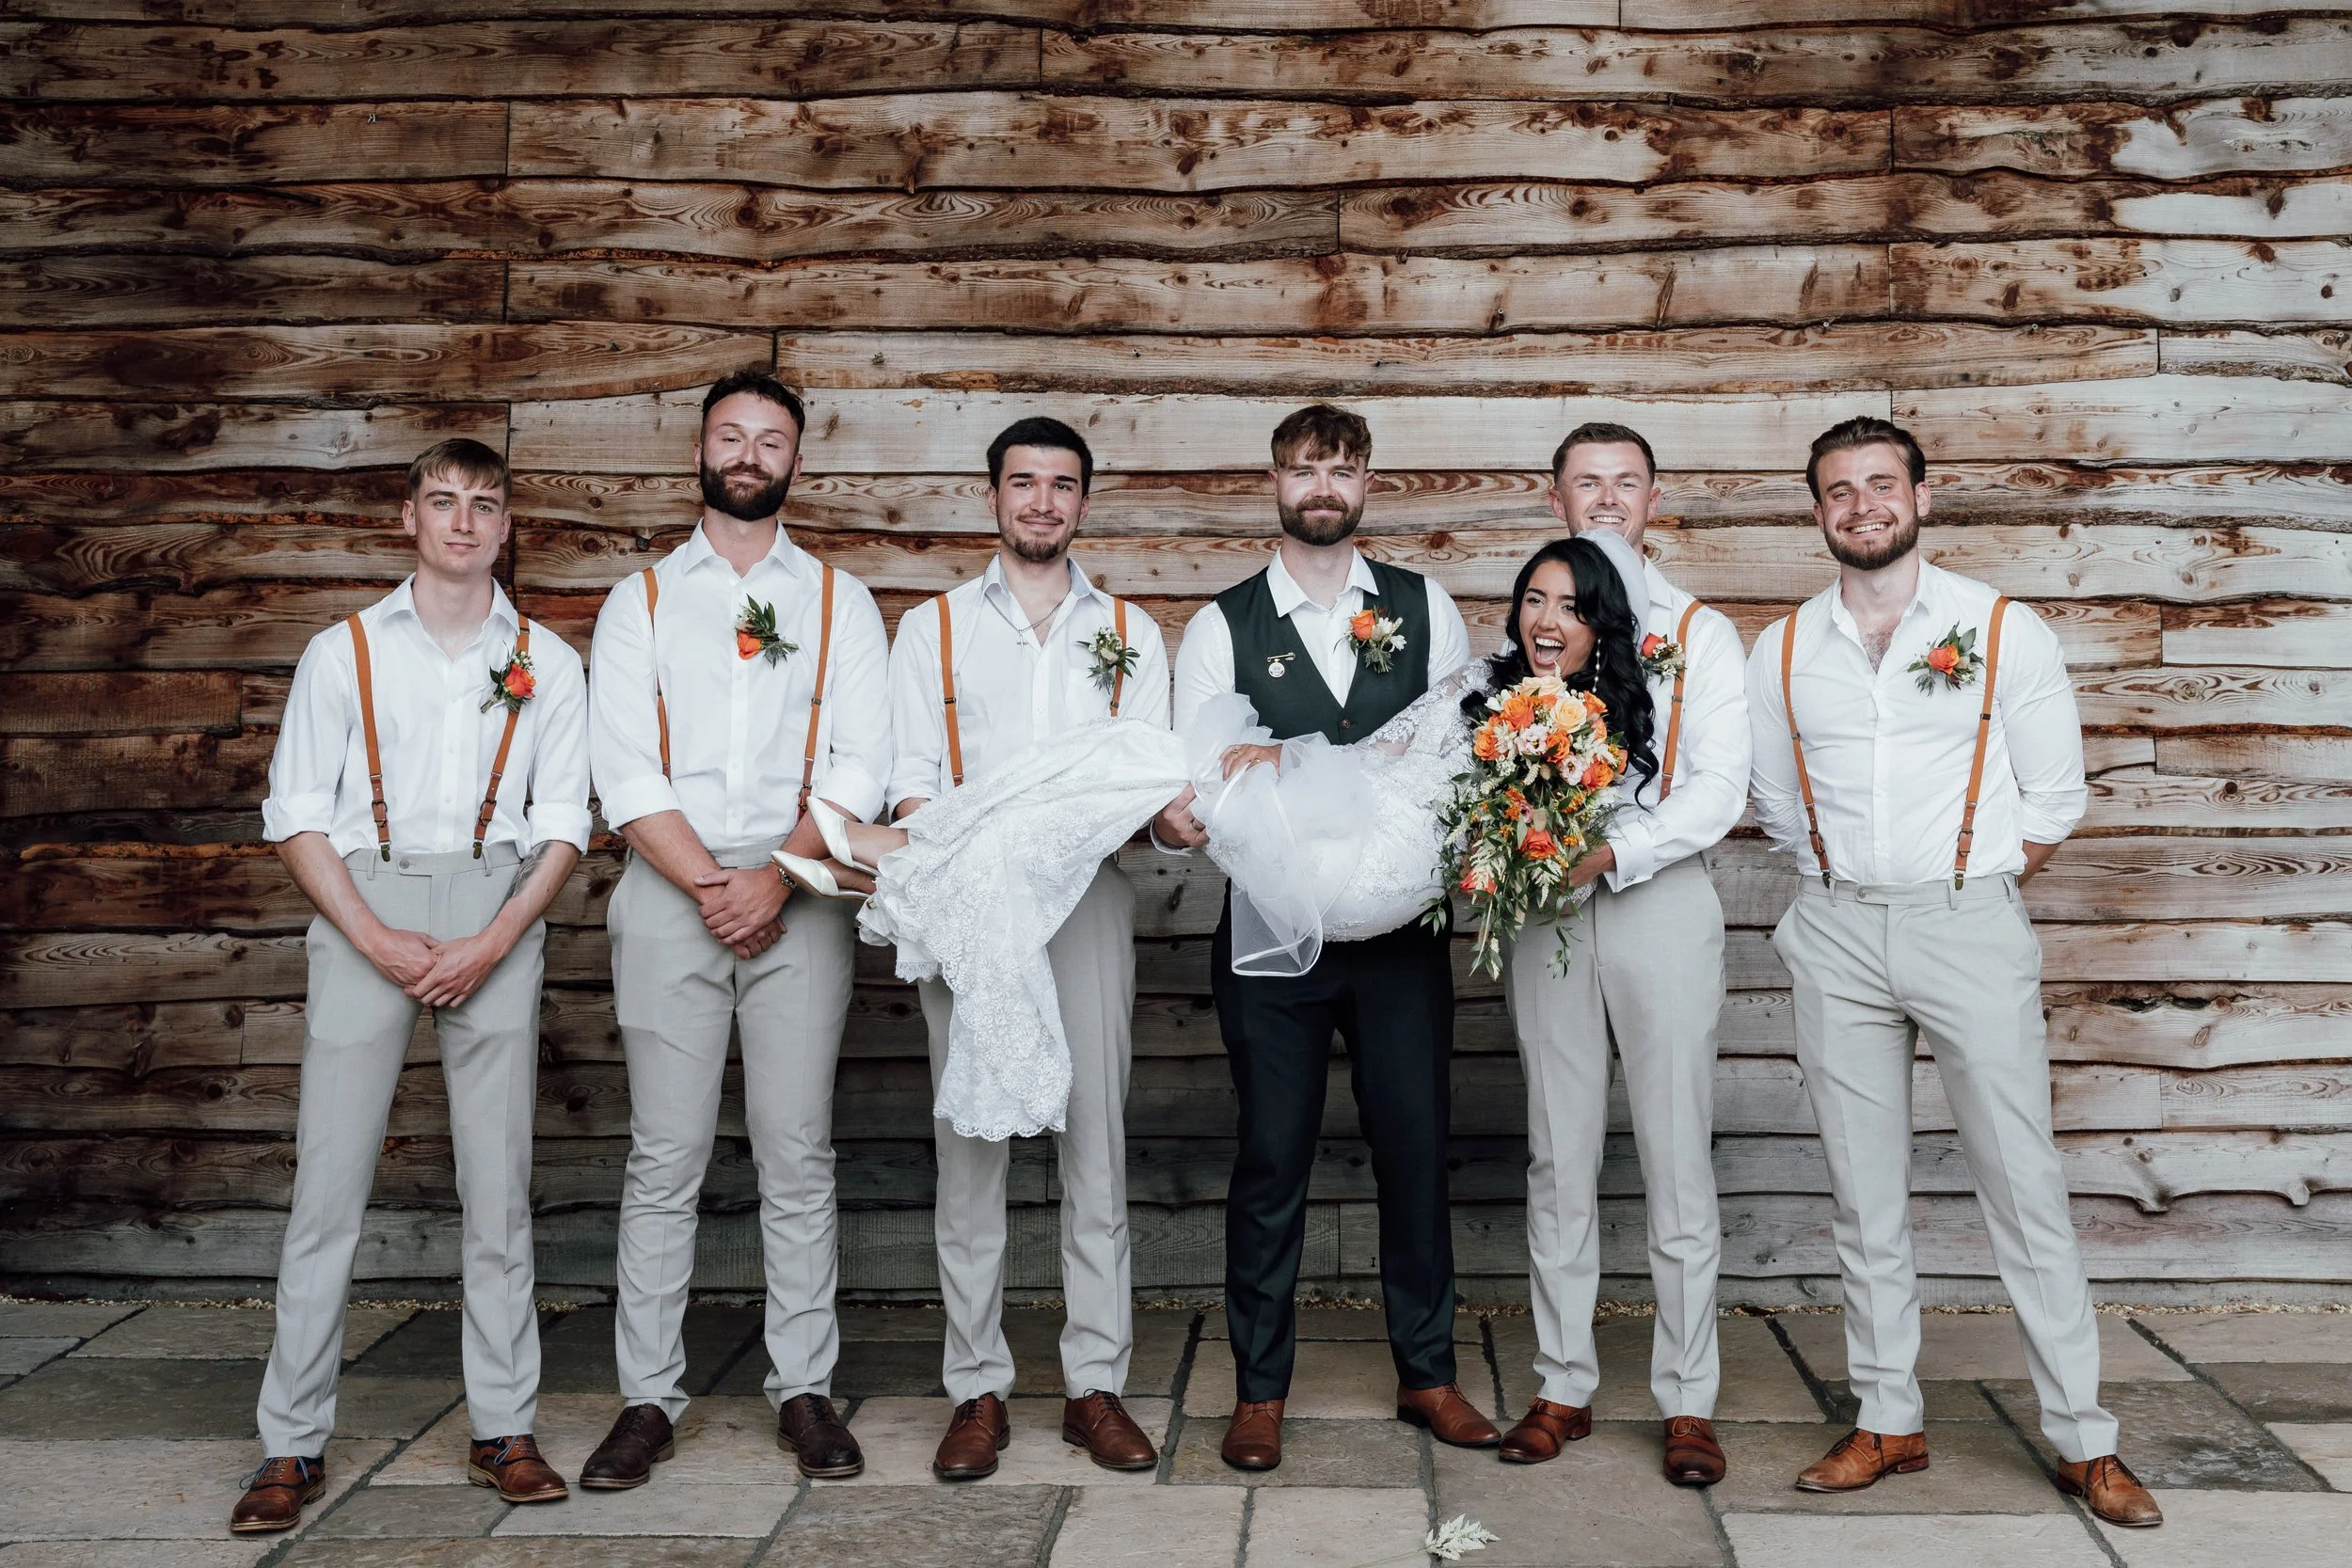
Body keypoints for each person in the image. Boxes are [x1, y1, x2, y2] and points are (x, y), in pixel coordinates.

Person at [1745, 417, 2161, 1528]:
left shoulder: (1999, 628)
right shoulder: (1781, 648)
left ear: (1923, 497)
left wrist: (1964, 883)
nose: (1861, 505)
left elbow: (2056, 798)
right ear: (1817, 511)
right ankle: (1887, 1416)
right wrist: (1851, 885)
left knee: (2022, 1183)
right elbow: (1781, 807)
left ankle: (2083, 1437)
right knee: (1860, 1188)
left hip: (1967, 922)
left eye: (1882, 485)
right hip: (1835, 928)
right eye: (1838, 491)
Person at [235, 438, 589, 1533]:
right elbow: (295, 812)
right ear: (409, 517)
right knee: (328, 1187)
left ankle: (504, 1423)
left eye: (485, 504)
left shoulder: (548, 659)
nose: (464, 521)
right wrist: (374, 934)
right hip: (361, 904)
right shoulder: (343, 652)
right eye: (444, 501)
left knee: (498, 1186)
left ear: (507, 524)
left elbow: (568, 821)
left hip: (497, 908)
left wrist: (490, 938)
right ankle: (289, 1442)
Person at [1166, 404, 1493, 1472]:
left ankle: (1429, 1371)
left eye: (1344, 469)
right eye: (1307, 468)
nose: (1325, 486)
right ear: (1274, 479)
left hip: (1401, 933)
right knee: (1271, 1156)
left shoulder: (1422, 605)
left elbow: (1453, 748)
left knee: (1412, 1147)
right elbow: (1203, 784)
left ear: (1367, 485)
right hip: (1272, 932)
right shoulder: (1221, 626)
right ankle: (1259, 1388)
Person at [580, 368, 892, 1487]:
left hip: (798, 900)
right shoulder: (644, 600)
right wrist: (716, 880)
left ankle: (804, 1386)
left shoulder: (840, 600)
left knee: (797, 1151)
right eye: (731, 436)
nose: (750, 454)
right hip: (671, 899)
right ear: (701, 452)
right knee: (663, 1156)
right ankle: (646, 1397)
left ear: (795, 462)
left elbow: (863, 759)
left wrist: (777, 877)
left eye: (770, 439)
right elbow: (621, 764)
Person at [878, 417, 1176, 1480]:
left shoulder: (1133, 633)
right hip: (967, 901)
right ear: (991, 496)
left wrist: (1062, 837)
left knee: (1094, 1140)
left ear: (1083, 503)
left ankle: (1095, 1381)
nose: (1041, 502)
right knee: (973, 1146)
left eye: (1061, 485)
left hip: (1087, 897)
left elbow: (1141, 777)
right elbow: (909, 778)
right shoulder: (932, 631)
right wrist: (980, 854)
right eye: (1023, 483)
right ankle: (977, 1386)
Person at [1499, 425, 1750, 1486]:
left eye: (1625, 483)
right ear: (1555, 495)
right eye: (1585, 482)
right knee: (1557, 1151)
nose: (1605, 499)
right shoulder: (1534, 625)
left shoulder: (1702, 631)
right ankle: (1563, 1381)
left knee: (1674, 1152)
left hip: (1656, 901)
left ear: (1656, 499)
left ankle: (1687, 1397)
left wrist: (1611, 851)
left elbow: (1717, 788)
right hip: (1546, 915)